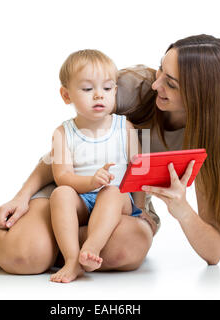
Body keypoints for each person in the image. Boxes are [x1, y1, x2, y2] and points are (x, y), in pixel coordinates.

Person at [0, 34, 220, 275]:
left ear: (202, 95)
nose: (156, 84)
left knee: (129, 247)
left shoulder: (213, 138)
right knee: (25, 256)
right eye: (161, 69)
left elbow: (214, 252)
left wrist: (181, 209)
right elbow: (66, 146)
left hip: (120, 204)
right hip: (70, 189)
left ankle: (55, 248)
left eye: (171, 83)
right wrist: (21, 196)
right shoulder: (133, 87)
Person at [48, 50, 145, 283]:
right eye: (88, 89)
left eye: (107, 88)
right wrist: (90, 182)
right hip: (83, 199)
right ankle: (72, 259)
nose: (99, 96)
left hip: (116, 201)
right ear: (66, 95)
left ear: (116, 91)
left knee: (112, 191)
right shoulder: (63, 133)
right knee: (60, 194)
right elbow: (62, 176)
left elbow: (139, 171)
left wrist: (141, 211)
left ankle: (91, 248)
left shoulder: (125, 127)